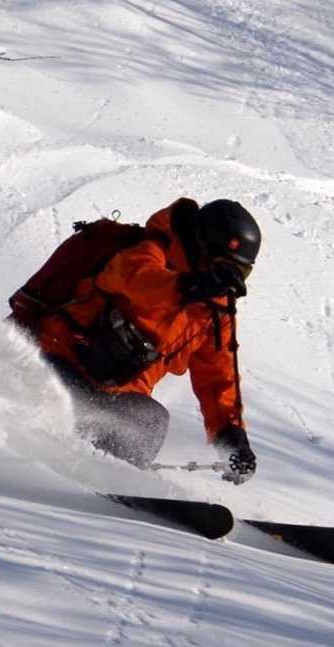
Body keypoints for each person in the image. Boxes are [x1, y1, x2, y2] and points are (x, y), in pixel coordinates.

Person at [16, 198, 261, 482]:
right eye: (225, 267)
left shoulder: (214, 312)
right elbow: (134, 277)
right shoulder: (151, 250)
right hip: (60, 356)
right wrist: (188, 287)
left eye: (242, 272)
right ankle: (32, 454)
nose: (229, 279)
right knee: (67, 400)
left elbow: (219, 378)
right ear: (204, 247)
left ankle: (117, 484)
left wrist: (232, 438)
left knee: (151, 421)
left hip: (118, 392)